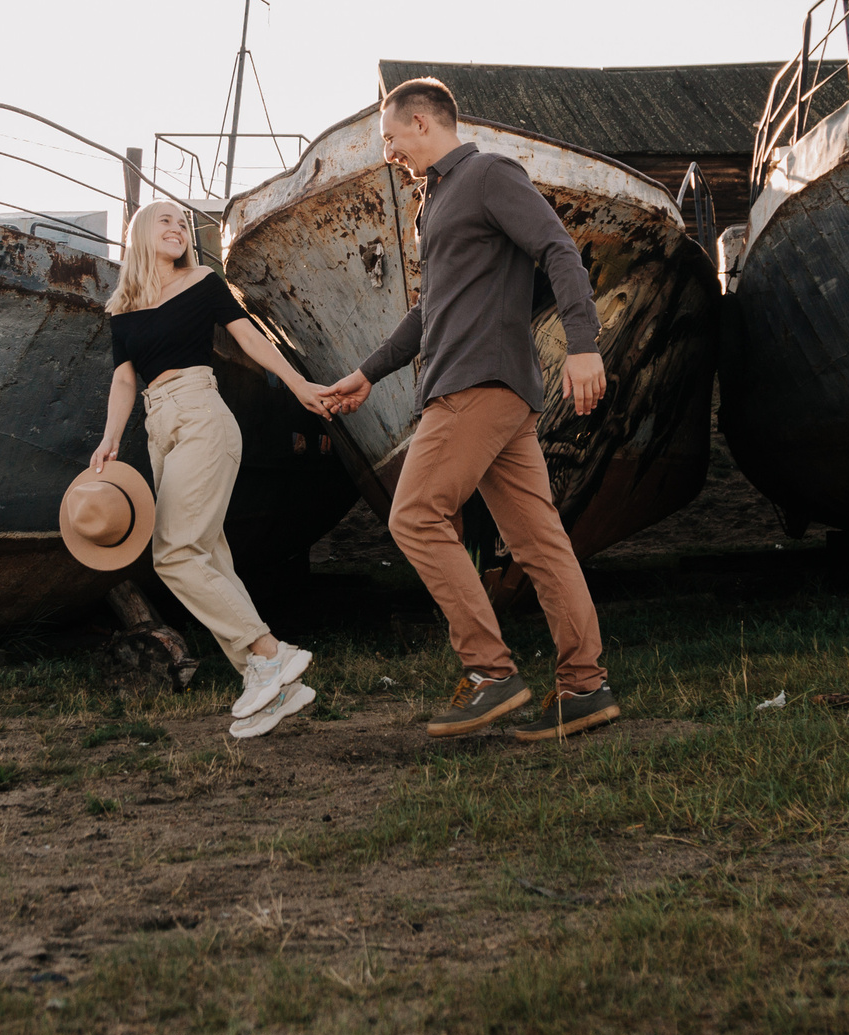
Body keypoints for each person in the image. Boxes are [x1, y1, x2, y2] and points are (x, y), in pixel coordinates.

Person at [323, 77, 619, 741]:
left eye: (391, 138)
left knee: (414, 514)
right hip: (488, 387)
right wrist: (366, 374)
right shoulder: (434, 202)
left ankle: (491, 672)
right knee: (540, 543)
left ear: (422, 122)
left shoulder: (488, 175)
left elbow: (558, 248)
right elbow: (428, 312)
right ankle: (584, 685)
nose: (388, 152)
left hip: (477, 383)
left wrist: (583, 344)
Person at [94, 199, 326, 739]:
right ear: (140, 233)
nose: (179, 228)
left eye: (184, 223)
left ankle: (268, 652)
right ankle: (272, 686)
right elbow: (125, 379)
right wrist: (110, 438)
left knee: (174, 552)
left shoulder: (201, 282)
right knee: (209, 556)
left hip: (201, 412)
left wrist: (299, 385)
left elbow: (248, 337)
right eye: (166, 220)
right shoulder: (123, 308)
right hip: (159, 427)